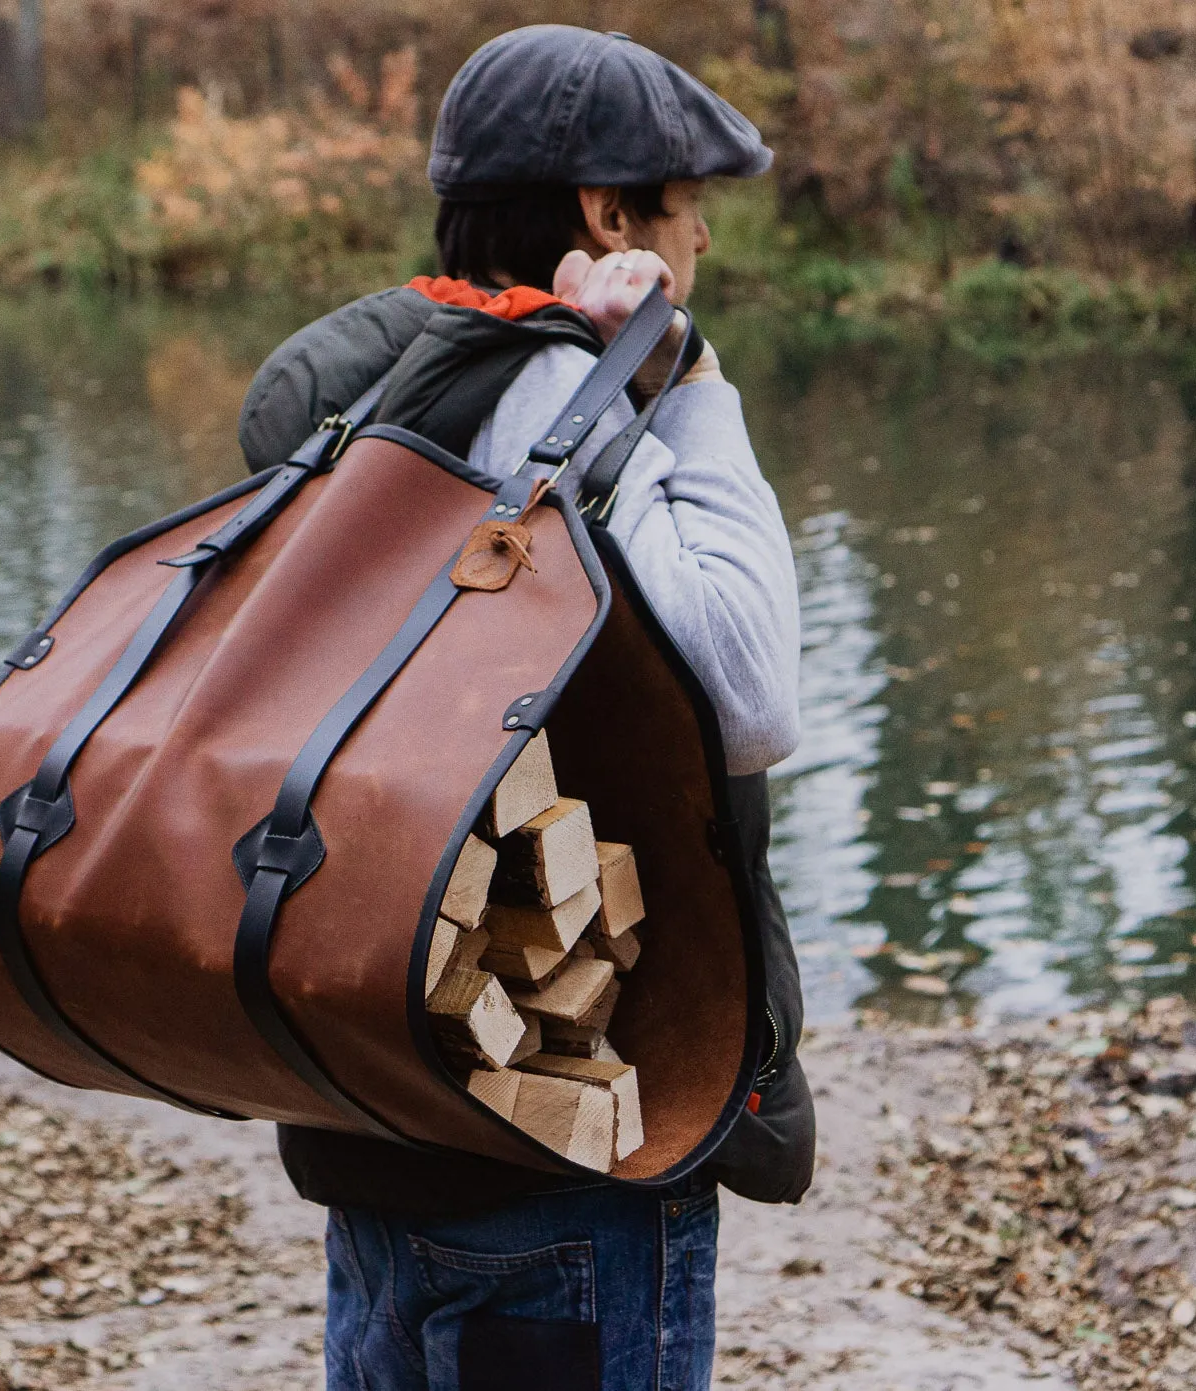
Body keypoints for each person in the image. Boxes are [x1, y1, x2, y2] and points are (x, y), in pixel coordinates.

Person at [238, 26, 812, 1390]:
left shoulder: (383, 387)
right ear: (611, 220)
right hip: (564, 1137)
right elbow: (747, 691)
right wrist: (700, 393)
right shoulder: (560, 399)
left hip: (382, 1116)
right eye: (686, 209)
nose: (708, 240)